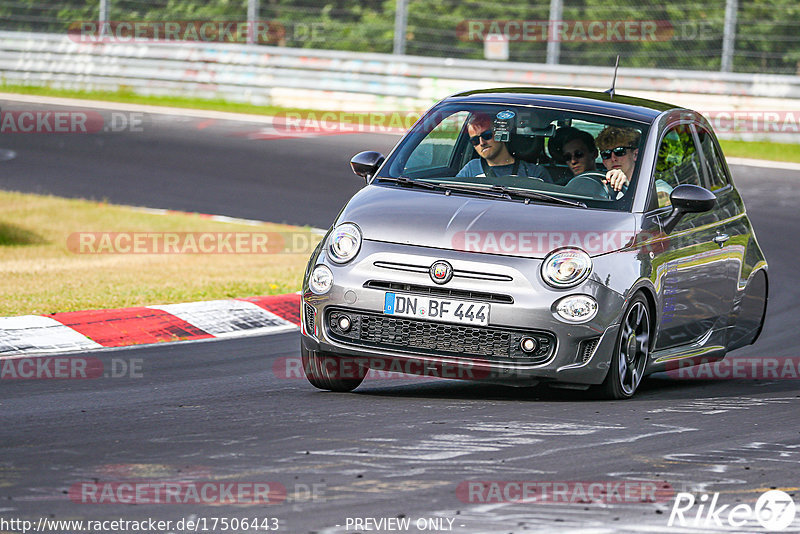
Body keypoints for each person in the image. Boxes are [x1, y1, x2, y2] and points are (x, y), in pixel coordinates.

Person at [456, 113, 551, 182]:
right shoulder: (471, 169)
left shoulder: (535, 174)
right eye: (475, 140)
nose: (482, 143)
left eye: (487, 135)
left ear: (501, 134)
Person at [595, 126, 641, 193]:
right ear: (603, 161)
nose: (613, 159)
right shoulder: (598, 187)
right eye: (606, 154)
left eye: (619, 151)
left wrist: (628, 187)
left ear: (635, 154)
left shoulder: (651, 184)